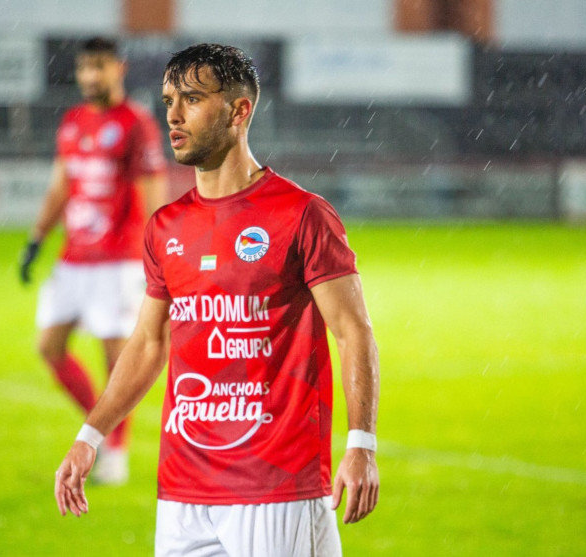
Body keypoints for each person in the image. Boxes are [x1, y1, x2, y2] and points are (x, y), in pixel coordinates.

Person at [54, 43, 379, 555]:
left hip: (274, 486)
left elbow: (352, 330)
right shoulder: (166, 226)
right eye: (167, 101)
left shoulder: (301, 215)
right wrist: (90, 437)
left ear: (239, 110)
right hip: (183, 489)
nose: (174, 115)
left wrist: (361, 444)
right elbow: (147, 343)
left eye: (192, 99)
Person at [20, 37, 167, 485]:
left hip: (117, 261)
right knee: (50, 347)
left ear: (118, 68)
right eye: (85, 68)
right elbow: (61, 188)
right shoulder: (72, 122)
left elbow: (153, 195)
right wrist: (36, 239)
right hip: (73, 258)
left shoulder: (136, 124)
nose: (90, 76)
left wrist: (157, 259)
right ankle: (102, 427)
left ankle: (115, 455)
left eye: (99, 67)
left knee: (116, 363)